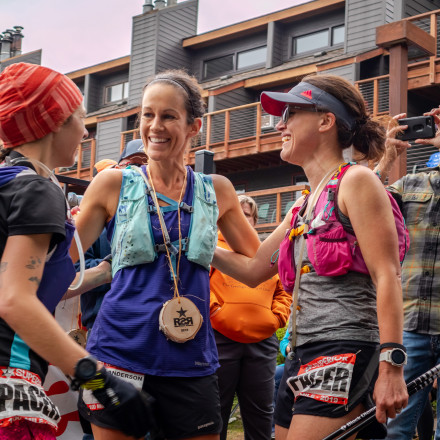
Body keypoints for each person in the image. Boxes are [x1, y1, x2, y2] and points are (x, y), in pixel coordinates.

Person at [211, 74, 408, 440]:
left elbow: (387, 275)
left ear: (325, 121)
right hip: (300, 354)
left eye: (290, 113)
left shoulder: (357, 182)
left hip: (345, 347)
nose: (280, 124)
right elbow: (255, 270)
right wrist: (198, 244)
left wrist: (391, 363)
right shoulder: (301, 205)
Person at [71, 69, 261, 440]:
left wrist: (201, 248)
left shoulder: (216, 191)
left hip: (190, 358)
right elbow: (65, 259)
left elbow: (255, 270)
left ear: (194, 126)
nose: (154, 126)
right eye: (147, 114)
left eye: (168, 116)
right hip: (117, 352)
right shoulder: (112, 183)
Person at [0, 63, 150, 439]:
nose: (85, 132)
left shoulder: (7, 182)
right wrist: (98, 379)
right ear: (52, 121)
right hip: (10, 378)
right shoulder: (37, 189)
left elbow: (25, 283)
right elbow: (16, 300)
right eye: (80, 119)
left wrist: (106, 270)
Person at [373, 108, 440, 440]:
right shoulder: (410, 183)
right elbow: (364, 204)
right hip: (411, 325)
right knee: (395, 427)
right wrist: (386, 158)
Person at [210, 194, 291, 440]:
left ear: (254, 221)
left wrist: (276, 318)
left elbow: (285, 290)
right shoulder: (212, 248)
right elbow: (199, 287)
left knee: (261, 413)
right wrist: (217, 313)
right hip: (219, 339)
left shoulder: (266, 253)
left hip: (262, 342)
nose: (240, 220)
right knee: (217, 411)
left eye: (245, 215)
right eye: (234, 215)